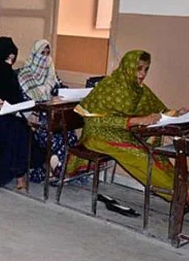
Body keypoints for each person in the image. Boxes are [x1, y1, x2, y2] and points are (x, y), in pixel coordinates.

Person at [78, 50, 188, 203]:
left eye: (146, 69)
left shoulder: (138, 89)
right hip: (97, 134)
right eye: (139, 68)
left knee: (154, 154)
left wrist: (177, 113)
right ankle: (181, 197)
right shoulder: (108, 85)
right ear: (129, 66)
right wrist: (137, 121)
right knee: (141, 156)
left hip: (122, 132)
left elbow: (160, 110)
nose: (142, 74)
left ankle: (182, 190)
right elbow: (93, 120)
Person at [0, 37, 44, 190]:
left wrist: (23, 110)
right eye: (8, 58)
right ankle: (18, 177)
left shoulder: (10, 75)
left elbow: (16, 98)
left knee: (22, 130)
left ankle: (20, 172)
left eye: (13, 58)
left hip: (10, 115)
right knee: (12, 130)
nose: (10, 62)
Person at [18, 39, 79, 178]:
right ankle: (54, 169)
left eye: (47, 53)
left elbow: (60, 89)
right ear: (34, 54)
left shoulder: (51, 73)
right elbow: (23, 100)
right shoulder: (24, 75)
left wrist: (64, 95)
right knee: (54, 136)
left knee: (69, 133)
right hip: (35, 117)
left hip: (53, 116)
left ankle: (60, 170)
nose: (45, 57)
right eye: (41, 53)